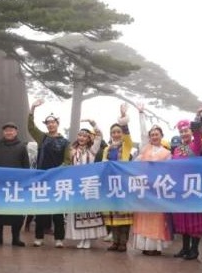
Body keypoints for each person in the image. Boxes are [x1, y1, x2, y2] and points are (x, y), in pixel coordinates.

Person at [28, 98, 71, 247]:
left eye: (53, 122)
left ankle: (59, 239)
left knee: (58, 211)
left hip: (58, 179)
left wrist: (56, 171)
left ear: (57, 124)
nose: (51, 125)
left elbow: (67, 160)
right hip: (43, 179)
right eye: (48, 123)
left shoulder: (65, 142)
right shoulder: (42, 138)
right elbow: (31, 127)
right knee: (41, 210)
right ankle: (39, 237)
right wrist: (33, 108)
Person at [131, 106, 172, 256]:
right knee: (143, 217)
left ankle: (155, 247)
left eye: (157, 134)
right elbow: (142, 132)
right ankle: (144, 245)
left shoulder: (167, 153)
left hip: (158, 190)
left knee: (157, 218)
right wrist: (141, 113)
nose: (154, 137)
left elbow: (169, 172)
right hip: (144, 189)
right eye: (152, 134)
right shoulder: (145, 149)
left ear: (162, 136)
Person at [0, 113, 30, 247]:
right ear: (3, 132)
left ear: (16, 132)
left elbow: (26, 166)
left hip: (15, 187)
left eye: (11, 130)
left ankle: (16, 238)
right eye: (6, 130)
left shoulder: (22, 146)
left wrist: (25, 183)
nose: (9, 132)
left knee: (16, 214)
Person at [170, 112, 202, 260]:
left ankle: (194, 249)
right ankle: (185, 248)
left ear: (191, 132)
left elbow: (198, 134)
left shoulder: (196, 144)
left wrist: (197, 120)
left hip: (193, 187)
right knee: (183, 218)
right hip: (181, 188)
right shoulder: (178, 149)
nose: (184, 134)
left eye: (186, 131)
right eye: (181, 132)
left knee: (194, 219)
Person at [64, 120, 107, 249]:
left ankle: (88, 239)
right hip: (76, 185)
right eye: (80, 135)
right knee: (78, 213)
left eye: (84, 136)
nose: (81, 138)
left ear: (88, 139)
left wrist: (94, 124)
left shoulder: (92, 150)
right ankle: (81, 238)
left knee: (89, 213)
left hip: (89, 184)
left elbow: (99, 136)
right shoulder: (72, 151)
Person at [102, 104, 134, 252]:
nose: (116, 134)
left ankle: (123, 242)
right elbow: (103, 165)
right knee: (112, 214)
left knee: (124, 214)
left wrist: (123, 118)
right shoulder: (107, 149)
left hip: (123, 184)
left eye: (118, 132)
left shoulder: (126, 146)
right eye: (113, 132)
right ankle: (115, 241)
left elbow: (127, 136)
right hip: (110, 185)